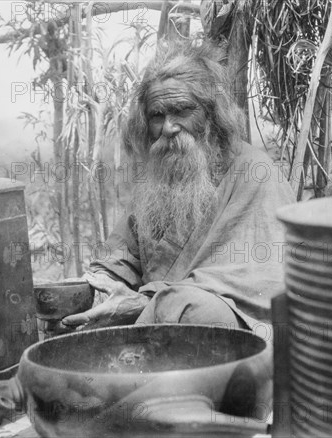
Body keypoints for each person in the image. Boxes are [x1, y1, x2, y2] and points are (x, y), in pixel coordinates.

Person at [62, 41, 295, 333]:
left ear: (211, 113)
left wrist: (149, 301)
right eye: (157, 116)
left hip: (239, 328)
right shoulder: (161, 173)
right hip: (157, 314)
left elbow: (261, 280)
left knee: (190, 309)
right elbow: (120, 255)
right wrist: (99, 283)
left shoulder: (256, 172)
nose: (168, 127)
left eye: (181, 111)